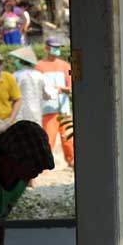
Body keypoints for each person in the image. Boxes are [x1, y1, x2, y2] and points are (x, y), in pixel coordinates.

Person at [37, 37, 75, 167]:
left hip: (63, 108)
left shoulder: (66, 66)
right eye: (54, 47)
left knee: (68, 137)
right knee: (48, 138)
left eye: (58, 47)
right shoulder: (39, 66)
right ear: (47, 48)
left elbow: (71, 86)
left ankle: (72, 161)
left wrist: (62, 90)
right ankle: (45, 165)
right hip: (48, 109)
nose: (56, 49)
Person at [9, 47, 50, 125]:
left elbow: (9, 96)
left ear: (21, 61)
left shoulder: (15, 76)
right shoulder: (40, 76)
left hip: (18, 115)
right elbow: (48, 95)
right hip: (36, 115)